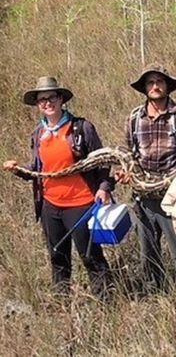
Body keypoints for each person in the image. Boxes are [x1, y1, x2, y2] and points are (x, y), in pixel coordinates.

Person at [3, 76, 114, 299]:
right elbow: (38, 170)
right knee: (57, 256)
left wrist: (104, 187)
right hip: (50, 206)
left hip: (81, 204)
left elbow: (103, 161)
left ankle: (107, 301)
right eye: (42, 99)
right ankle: (61, 302)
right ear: (37, 104)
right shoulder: (38, 134)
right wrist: (19, 170)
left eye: (51, 97)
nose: (47, 103)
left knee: (90, 255)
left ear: (61, 99)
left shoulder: (81, 128)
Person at [115, 64, 176, 324]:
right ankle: (157, 311)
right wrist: (124, 174)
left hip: (175, 199)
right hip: (143, 200)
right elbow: (128, 156)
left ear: (167, 86)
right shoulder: (133, 118)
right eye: (150, 82)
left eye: (160, 81)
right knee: (149, 257)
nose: (155, 86)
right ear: (144, 88)